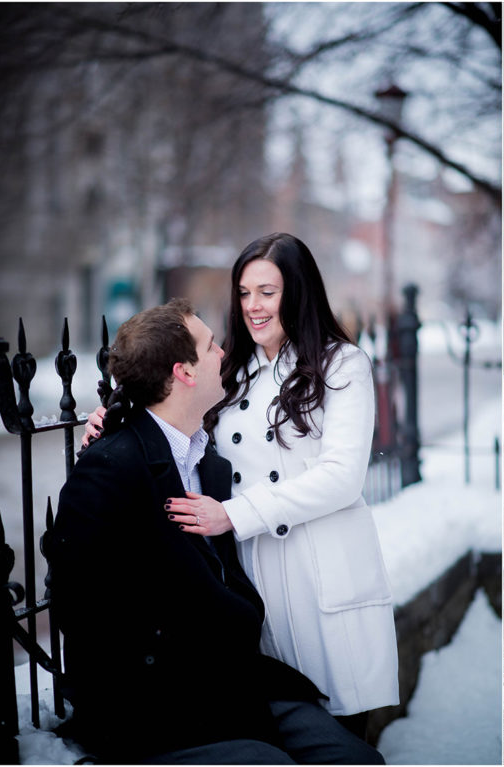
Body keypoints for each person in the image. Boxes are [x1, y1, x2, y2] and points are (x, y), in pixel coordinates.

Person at [84, 234, 399, 740]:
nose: (253, 306)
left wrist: (235, 513)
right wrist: (114, 419)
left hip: (325, 568)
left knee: (341, 732)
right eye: (244, 292)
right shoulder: (233, 370)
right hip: (255, 574)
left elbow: (342, 478)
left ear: (297, 292)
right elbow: (172, 414)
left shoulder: (343, 365)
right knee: (280, 721)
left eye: (267, 292)